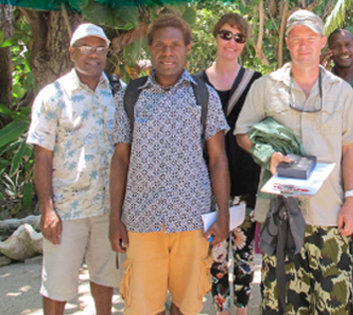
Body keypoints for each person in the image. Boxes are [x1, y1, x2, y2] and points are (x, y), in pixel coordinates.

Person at [234, 10, 353, 314]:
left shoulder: (342, 93)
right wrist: (268, 155)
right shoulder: (265, 87)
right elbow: (242, 134)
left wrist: (351, 201)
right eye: (296, 38)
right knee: (283, 304)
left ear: (322, 44)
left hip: (328, 215)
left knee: (334, 304)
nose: (303, 45)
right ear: (287, 42)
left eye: (310, 38)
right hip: (279, 215)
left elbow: (350, 150)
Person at [109, 15, 231, 315]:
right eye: (161, 45)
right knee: (142, 304)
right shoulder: (130, 95)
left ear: (187, 48)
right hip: (141, 219)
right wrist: (115, 217)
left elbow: (217, 159)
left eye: (175, 45)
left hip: (191, 219)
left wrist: (223, 215)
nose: (168, 52)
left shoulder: (203, 96)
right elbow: (120, 158)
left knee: (186, 303)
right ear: (150, 48)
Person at [27, 23, 122, 315]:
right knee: (57, 284)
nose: (93, 54)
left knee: (105, 279)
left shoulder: (119, 93)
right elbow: (42, 157)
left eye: (100, 48)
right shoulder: (53, 96)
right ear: (72, 52)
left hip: (108, 208)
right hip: (67, 210)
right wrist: (48, 210)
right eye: (85, 47)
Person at [194, 13, 262, 315]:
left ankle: (242, 311)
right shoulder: (195, 83)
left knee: (245, 258)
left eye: (239, 37)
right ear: (215, 37)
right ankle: (222, 310)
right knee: (216, 258)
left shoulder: (256, 82)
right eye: (226, 34)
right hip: (208, 187)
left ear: (244, 43)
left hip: (247, 184)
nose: (231, 42)